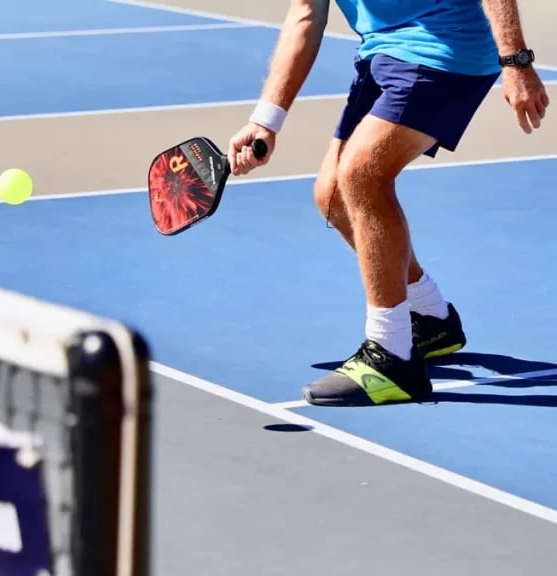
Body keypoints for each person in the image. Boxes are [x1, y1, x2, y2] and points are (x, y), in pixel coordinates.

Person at [228, 0, 550, 406]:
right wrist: (267, 120)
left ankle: (392, 357)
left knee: (362, 174)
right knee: (332, 197)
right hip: (382, 50)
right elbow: (306, 15)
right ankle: (432, 318)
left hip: (447, 46)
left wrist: (516, 61)